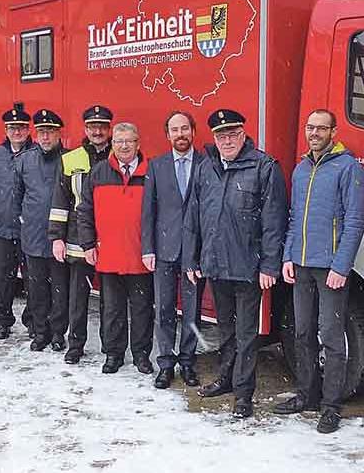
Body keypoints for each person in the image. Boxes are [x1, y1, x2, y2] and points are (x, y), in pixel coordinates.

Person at [183, 109, 288, 418]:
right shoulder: (206, 168)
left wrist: (269, 266)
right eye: (220, 135)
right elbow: (194, 216)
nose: (227, 140)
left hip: (247, 268)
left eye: (232, 134)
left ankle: (244, 394)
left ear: (243, 135)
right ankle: (226, 380)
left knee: (246, 334)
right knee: (225, 330)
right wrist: (191, 258)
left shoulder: (263, 167)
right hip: (215, 266)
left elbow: (273, 222)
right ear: (214, 139)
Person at [276, 109, 364, 434]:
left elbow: (355, 222)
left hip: (330, 270)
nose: (314, 133)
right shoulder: (301, 170)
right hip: (300, 266)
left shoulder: (348, 167)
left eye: (321, 128)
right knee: (302, 334)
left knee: (331, 336)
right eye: (310, 128)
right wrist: (288, 256)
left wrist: (341, 266)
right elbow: (293, 218)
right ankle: (306, 395)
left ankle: (330, 406)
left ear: (334, 131)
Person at [77, 122, 155, 375]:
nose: (124, 146)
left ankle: (142, 355)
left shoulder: (151, 172)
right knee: (112, 310)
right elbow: (85, 211)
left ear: (138, 144)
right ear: (112, 145)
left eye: (129, 141)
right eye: (119, 141)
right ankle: (114, 354)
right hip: (108, 256)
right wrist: (88, 244)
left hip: (141, 256)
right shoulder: (98, 172)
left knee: (142, 310)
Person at [142, 111, 204, 389]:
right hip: (164, 249)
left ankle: (188, 362)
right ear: (167, 135)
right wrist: (148, 248)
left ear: (193, 131)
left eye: (184, 129)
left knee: (192, 311)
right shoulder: (157, 166)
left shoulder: (207, 163)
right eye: (174, 130)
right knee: (164, 308)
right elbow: (148, 211)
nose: (180, 135)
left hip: (195, 253)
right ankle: (165, 363)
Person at [49, 105, 113, 364]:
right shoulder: (70, 159)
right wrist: (56, 237)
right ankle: (75, 345)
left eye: (102, 126)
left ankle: (111, 348)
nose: (97, 131)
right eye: (92, 126)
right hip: (76, 239)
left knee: (110, 300)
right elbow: (60, 201)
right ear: (85, 129)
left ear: (109, 129)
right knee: (78, 298)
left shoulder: (118, 156)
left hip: (110, 239)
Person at [14, 109, 69, 352]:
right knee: (36, 290)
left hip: (62, 237)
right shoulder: (24, 160)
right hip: (33, 236)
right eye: (42, 133)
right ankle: (40, 332)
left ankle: (58, 334)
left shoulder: (71, 159)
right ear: (36, 135)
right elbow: (17, 196)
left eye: (51, 132)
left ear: (59, 133)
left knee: (60, 290)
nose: (46, 137)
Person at [0, 102, 36, 340]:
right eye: (13, 128)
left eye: (22, 128)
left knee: (32, 280)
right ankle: (3, 322)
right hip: (2, 228)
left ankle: (32, 321)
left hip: (30, 230)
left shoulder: (37, 154)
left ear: (28, 130)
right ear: (6, 130)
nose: (17, 132)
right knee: (3, 280)